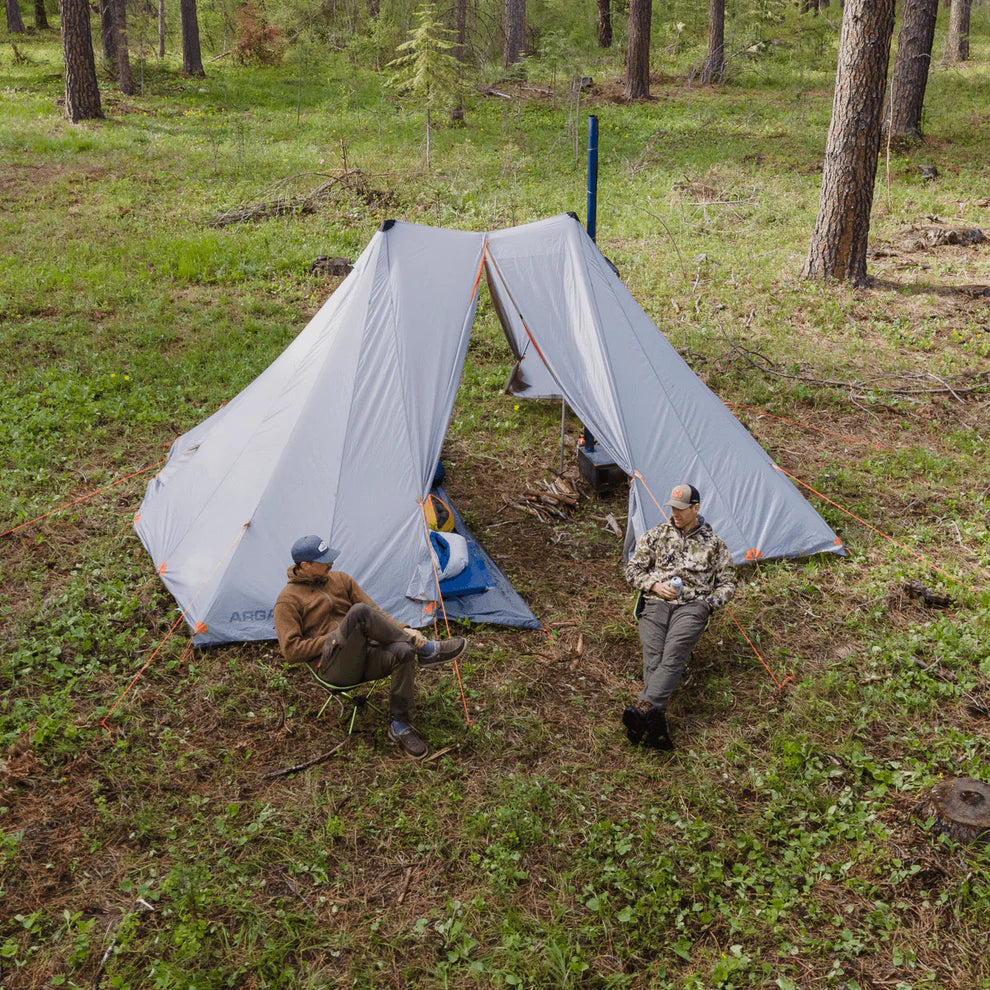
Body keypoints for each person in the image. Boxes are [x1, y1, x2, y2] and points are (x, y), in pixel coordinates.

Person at [274, 534, 467, 760]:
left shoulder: (341, 580)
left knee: (403, 652)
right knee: (359, 612)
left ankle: (400, 725)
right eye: (324, 561)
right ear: (305, 566)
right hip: (333, 667)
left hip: (366, 654)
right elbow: (291, 651)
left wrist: (405, 629)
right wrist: (334, 637)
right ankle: (427, 651)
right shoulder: (287, 601)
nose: (331, 563)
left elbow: (375, 613)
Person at [622, 483, 736, 750]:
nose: (675, 513)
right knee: (654, 654)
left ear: (696, 508)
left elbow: (728, 583)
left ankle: (644, 708)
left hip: (692, 607)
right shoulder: (656, 536)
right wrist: (653, 585)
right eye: (673, 508)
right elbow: (632, 569)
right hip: (657, 602)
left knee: (674, 652)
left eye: (682, 509)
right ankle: (655, 725)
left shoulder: (714, 545)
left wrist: (708, 604)